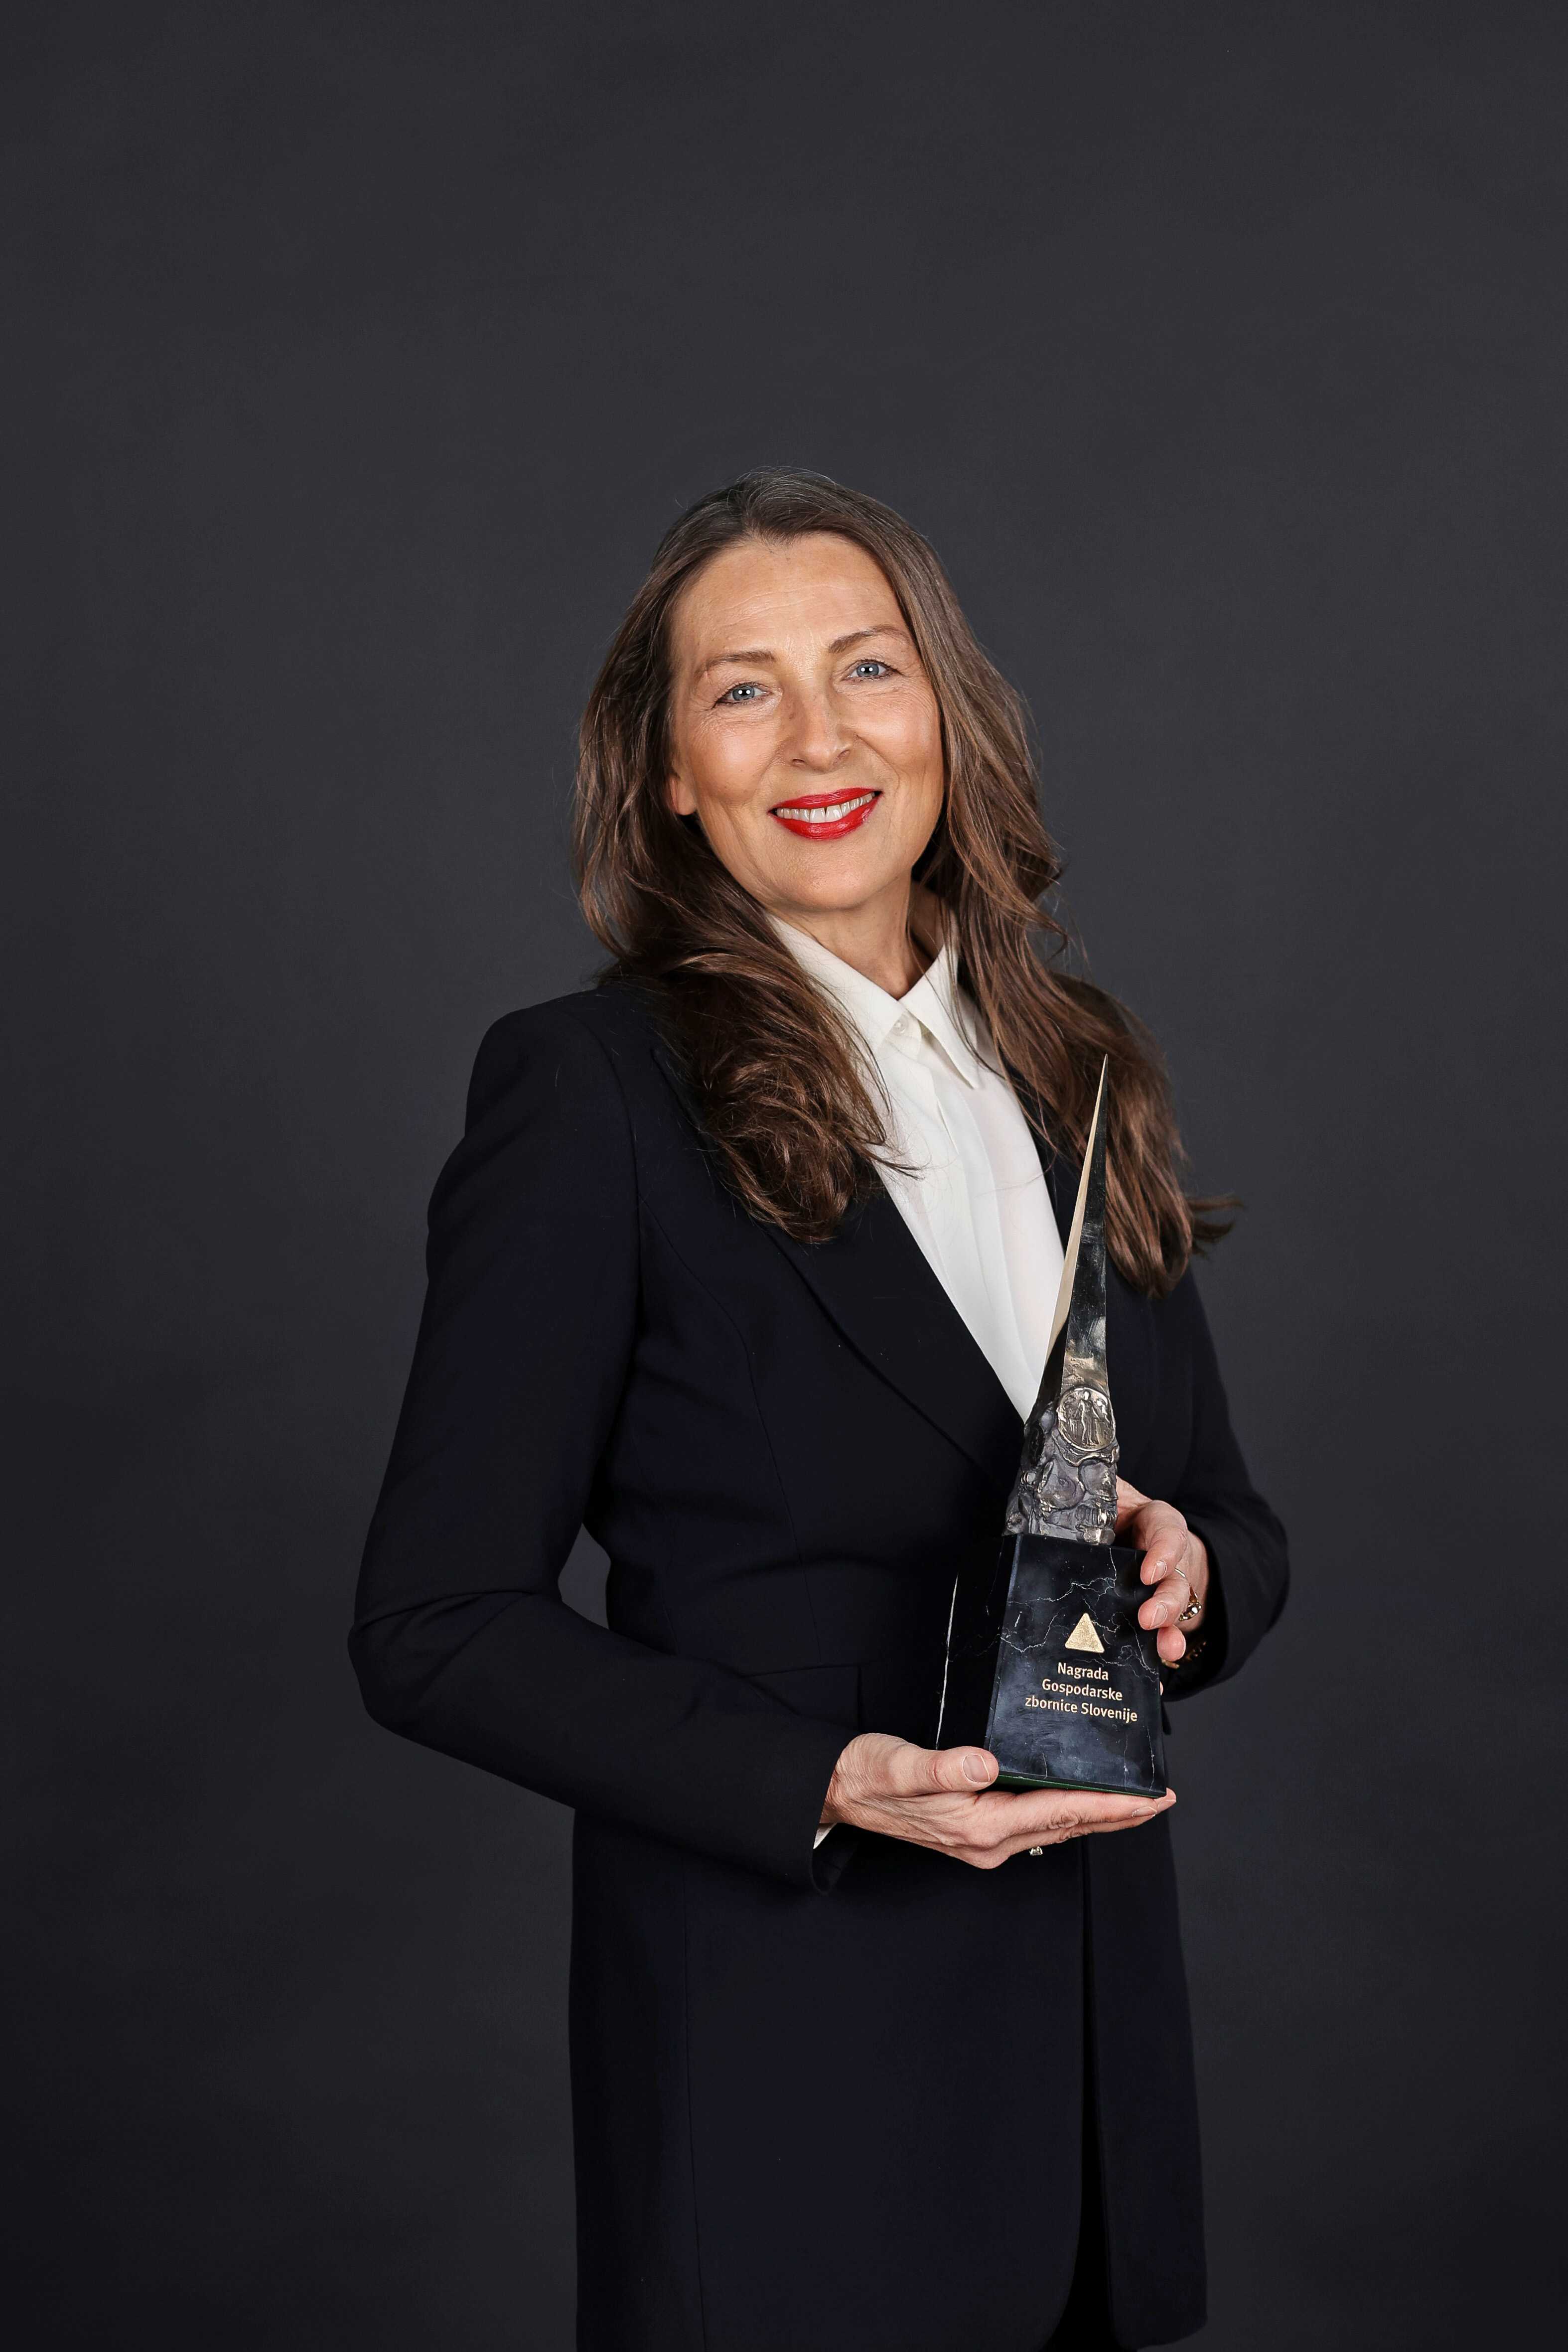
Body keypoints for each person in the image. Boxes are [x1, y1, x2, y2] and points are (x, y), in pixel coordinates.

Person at [350, 469, 1289, 2352]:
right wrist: (819, 1781)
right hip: (787, 2083)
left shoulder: (1074, 1069)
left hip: (1092, 2102)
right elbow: (432, 1627)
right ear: (670, 774)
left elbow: (1232, 1526)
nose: (819, 735)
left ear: (946, 713)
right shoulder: (588, 1094)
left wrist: (1192, 1572)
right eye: (742, 688)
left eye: (866, 666)